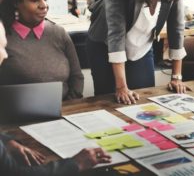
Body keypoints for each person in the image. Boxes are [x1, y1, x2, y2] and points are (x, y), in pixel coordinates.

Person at [87, 0, 189, 104]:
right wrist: (121, 87)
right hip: (105, 45)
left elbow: (176, 28)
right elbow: (115, 33)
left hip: (141, 46)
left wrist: (176, 76)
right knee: (112, 101)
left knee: (145, 99)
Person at [0, 22, 111, 175]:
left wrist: (6, 141)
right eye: (2, 48)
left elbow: (77, 76)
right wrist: (74, 164)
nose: (5, 55)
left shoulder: (58, 33)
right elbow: (13, 173)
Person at [0, 0, 83, 100]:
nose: (44, 5)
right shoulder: (3, 38)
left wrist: (68, 107)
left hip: (64, 111)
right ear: (16, 2)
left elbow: (76, 77)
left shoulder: (59, 33)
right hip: (17, 116)